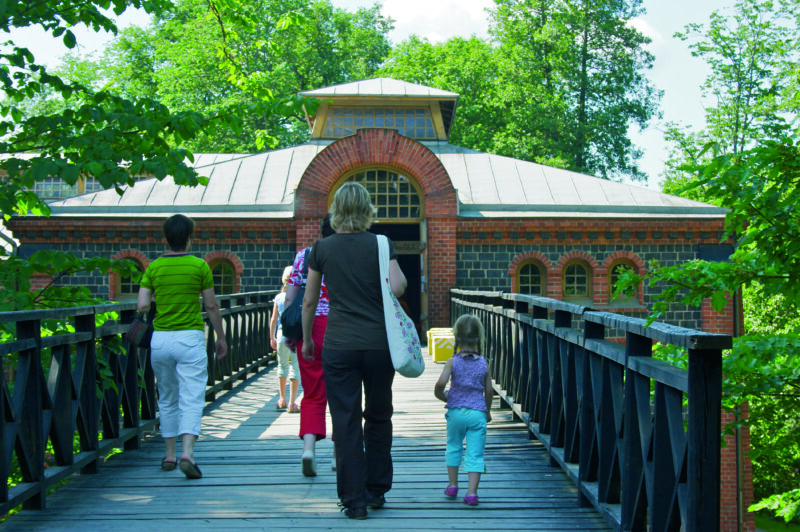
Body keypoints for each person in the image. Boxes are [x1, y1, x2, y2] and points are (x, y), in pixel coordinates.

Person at [301, 183, 407, 520]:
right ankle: (376, 490)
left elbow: (309, 300)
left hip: (338, 346)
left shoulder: (321, 248)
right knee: (378, 415)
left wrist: (306, 339)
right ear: (366, 209)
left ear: (336, 209)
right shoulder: (381, 243)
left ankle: (354, 500)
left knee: (345, 421)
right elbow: (399, 286)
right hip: (378, 345)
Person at [137, 214, 227, 480]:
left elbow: (142, 305)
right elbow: (211, 305)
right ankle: (188, 452)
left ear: (166, 237)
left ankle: (169, 454)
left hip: (161, 340)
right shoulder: (199, 266)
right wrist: (221, 337)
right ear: (190, 237)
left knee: (167, 396)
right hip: (189, 338)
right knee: (192, 395)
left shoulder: (153, 267)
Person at [285, 214, 334, 478]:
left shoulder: (305, 255)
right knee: (343, 391)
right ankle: (339, 455)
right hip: (342, 327)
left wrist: (292, 334)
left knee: (313, 392)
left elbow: (292, 297)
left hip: (310, 327)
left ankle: (309, 450)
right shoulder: (349, 253)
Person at [433, 314, 492, 506]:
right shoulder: (484, 363)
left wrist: (443, 396)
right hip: (477, 413)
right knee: (475, 453)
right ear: (479, 338)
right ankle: (472, 493)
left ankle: (452, 485)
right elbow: (489, 392)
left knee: (454, 446)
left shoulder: (452, 362)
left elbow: (441, 383)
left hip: (456, 412)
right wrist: (488, 411)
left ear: (456, 338)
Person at [269, 266, 300, 412]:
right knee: (295, 366)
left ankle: (282, 399)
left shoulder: (279, 297)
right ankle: (292, 402)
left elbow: (274, 320)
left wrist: (272, 337)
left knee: (282, 366)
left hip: (281, 335)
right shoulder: (299, 296)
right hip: (295, 335)